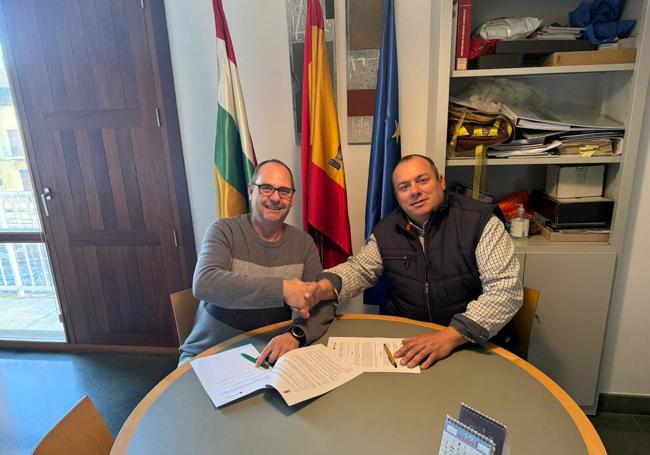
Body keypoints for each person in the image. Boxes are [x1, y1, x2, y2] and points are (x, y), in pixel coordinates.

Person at [295, 154, 523, 369]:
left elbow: (505, 291)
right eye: (404, 187)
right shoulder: (386, 230)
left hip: (472, 343)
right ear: (397, 194)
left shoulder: (480, 221)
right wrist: (321, 288)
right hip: (412, 347)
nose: (414, 191)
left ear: (441, 181)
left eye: (422, 180)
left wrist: (449, 336)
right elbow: (360, 269)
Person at [178, 159, 335, 366]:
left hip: (266, 355)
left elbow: (317, 301)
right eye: (266, 188)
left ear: (292, 198)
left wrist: (296, 334)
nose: (276, 198)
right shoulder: (223, 231)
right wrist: (281, 289)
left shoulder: (303, 243)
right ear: (251, 191)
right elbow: (204, 283)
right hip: (209, 354)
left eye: (284, 191)